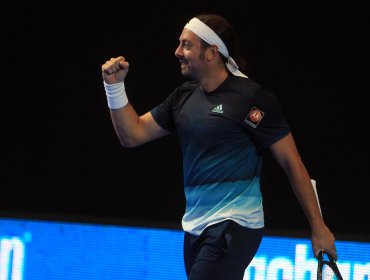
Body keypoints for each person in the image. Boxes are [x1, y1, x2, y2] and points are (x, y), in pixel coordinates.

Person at [101, 14, 337, 280]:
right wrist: (114, 87)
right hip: (194, 229)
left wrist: (318, 227)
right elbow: (132, 134)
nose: (177, 52)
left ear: (212, 52)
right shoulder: (182, 98)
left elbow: (293, 165)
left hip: (236, 224)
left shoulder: (253, 100)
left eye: (187, 45)